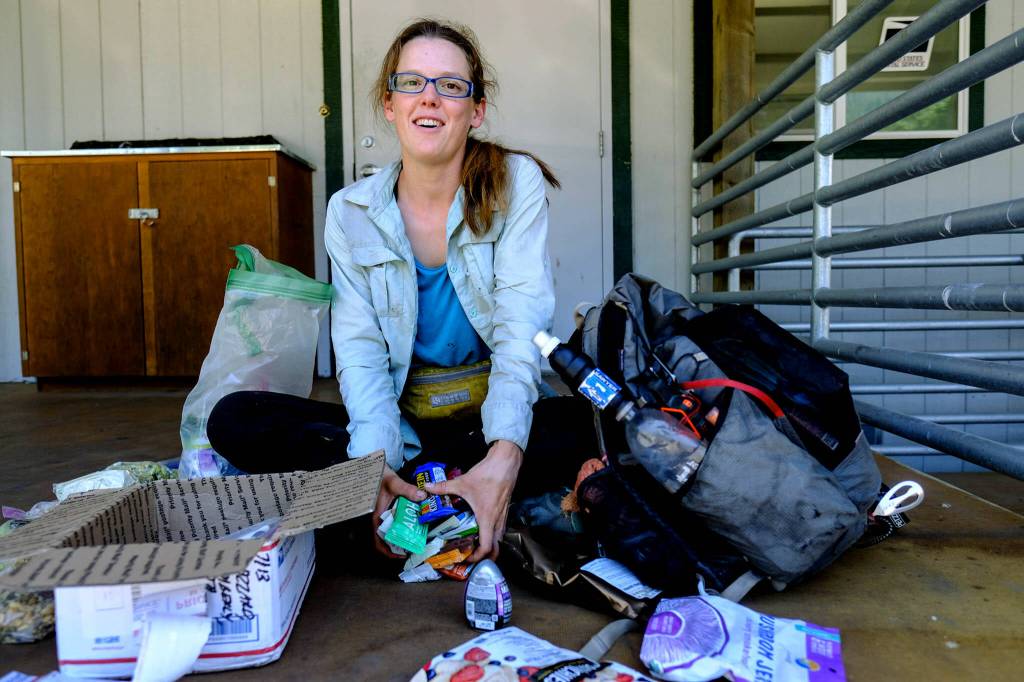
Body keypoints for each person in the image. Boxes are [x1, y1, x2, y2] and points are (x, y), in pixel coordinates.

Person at [207, 18, 597, 564]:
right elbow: (360, 353)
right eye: (411, 82)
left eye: (451, 85)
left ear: (476, 110)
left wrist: (505, 452)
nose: (430, 97)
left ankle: (431, 498)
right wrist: (374, 464)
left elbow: (520, 328)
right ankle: (425, 494)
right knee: (235, 418)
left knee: (583, 423)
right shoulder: (351, 211)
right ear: (389, 104)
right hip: (405, 426)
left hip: (488, 424)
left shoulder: (515, 181)